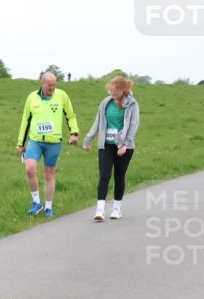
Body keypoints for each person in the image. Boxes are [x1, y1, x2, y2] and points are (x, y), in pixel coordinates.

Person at [15, 72, 80, 217]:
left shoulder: (62, 95)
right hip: (35, 141)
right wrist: (21, 143)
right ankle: (36, 202)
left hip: (53, 142)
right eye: (49, 85)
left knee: (49, 173)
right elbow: (25, 120)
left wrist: (74, 133)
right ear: (42, 83)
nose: (52, 88)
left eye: (54, 85)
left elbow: (70, 116)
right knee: (30, 169)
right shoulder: (32, 97)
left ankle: (48, 207)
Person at [83, 76, 140, 221]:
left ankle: (116, 209)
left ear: (123, 90)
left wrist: (125, 144)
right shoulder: (105, 103)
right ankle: (100, 210)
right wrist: (88, 140)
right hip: (106, 145)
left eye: (115, 91)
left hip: (124, 146)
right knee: (104, 175)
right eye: (110, 90)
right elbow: (98, 122)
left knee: (119, 176)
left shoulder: (132, 104)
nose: (112, 93)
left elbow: (133, 125)